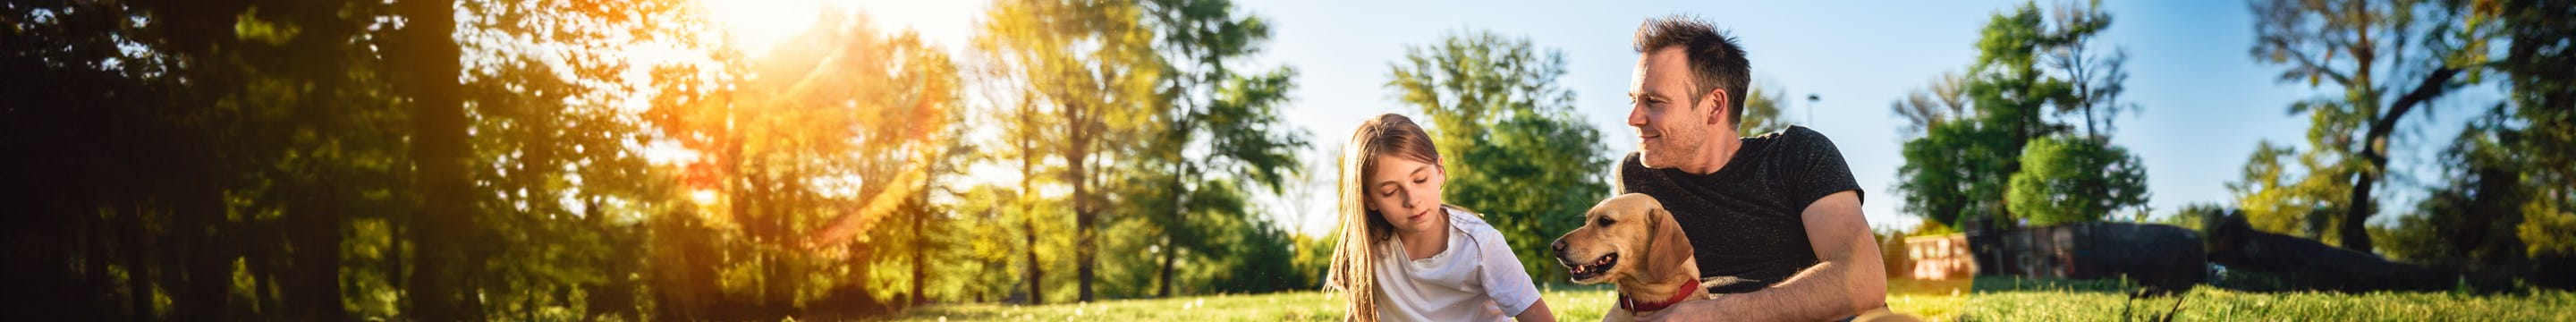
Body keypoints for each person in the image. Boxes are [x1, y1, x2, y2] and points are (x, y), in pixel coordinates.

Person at [1616, 15, 1891, 321]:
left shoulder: (1797, 154)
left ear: (1714, 106)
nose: (1633, 118)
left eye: (1654, 101)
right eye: (1633, 100)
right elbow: (1635, 290)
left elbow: (1863, 281)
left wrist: (1714, 314)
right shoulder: (1638, 176)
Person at [1326, 114, 1558, 322]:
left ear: (1439, 171)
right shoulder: (1366, 249)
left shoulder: (1480, 243)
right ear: (1369, 199)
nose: (1412, 200)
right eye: (1390, 191)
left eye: (1420, 180)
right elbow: (1359, 315)